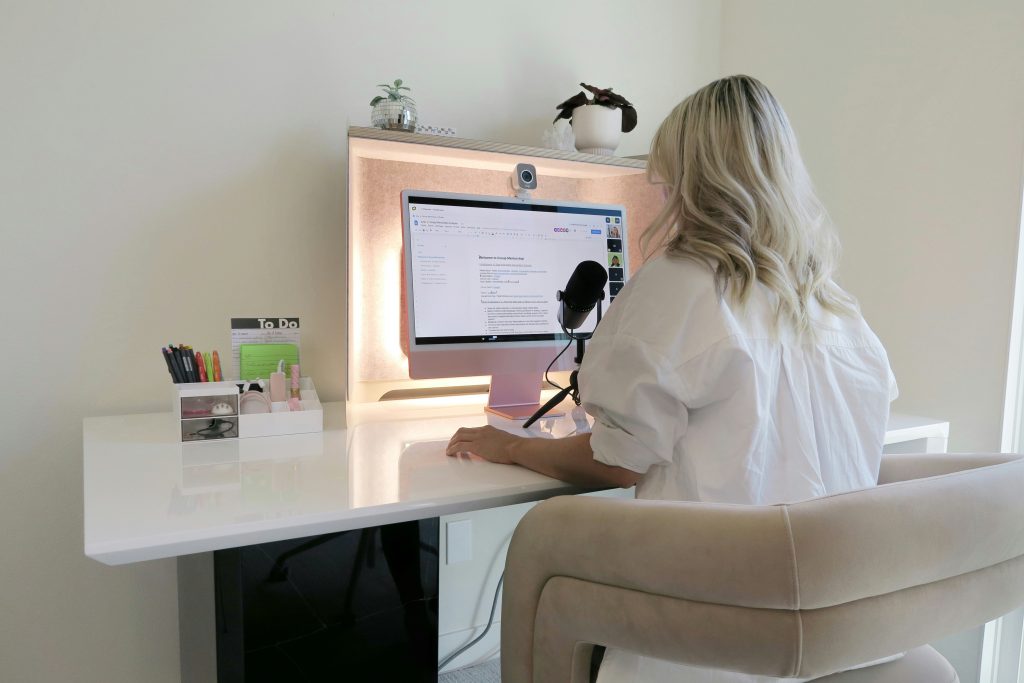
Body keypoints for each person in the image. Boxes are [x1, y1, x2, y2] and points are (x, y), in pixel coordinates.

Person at [447, 75, 897, 682]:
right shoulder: (836, 308)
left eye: (662, 180)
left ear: (693, 182)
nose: (659, 195)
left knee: (541, 542)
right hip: (833, 634)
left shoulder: (681, 283)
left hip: (713, 633)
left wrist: (513, 447)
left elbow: (618, 462)